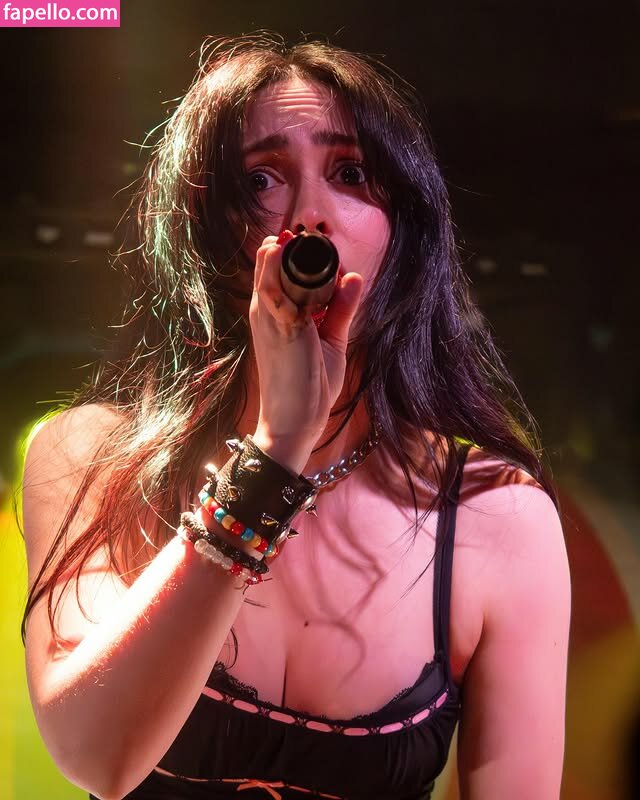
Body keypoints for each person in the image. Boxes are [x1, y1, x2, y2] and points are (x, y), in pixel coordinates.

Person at [20, 33, 571, 800]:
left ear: (403, 227)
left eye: (351, 174)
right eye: (261, 179)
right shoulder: (91, 458)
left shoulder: (498, 516)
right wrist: (273, 454)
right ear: (210, 225)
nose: (311, 213)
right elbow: (96, 758)